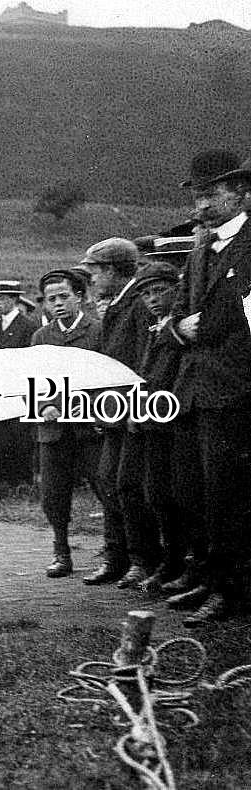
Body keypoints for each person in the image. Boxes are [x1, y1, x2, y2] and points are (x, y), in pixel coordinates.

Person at [166, 150, 251, 626]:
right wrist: (184, 328)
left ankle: (232, 592)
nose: (200, 204)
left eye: (210, 194)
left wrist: (206, 326)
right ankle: (208, 578)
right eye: (196, 195)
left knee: (228, 494)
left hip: (236, 389)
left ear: (241, 194)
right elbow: (174, 319)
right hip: (193, 389)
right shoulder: (198, 248)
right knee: (192, 490)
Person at [77, 237, 157, 588]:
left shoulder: (138, 305)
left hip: (133, 414)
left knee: (128, 485)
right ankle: (117, 556)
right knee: (108, 481)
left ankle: (141, 559)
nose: (91, 279)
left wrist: (136, 409)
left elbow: (144, 363)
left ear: (111, 270)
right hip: (113, 413)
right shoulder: (115, 305)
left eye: (94, 272)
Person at [128, 261, 195, 595]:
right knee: (157, 495)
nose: (152, 299)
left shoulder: (181, 330)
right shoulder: (154, 329)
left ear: (176, 290)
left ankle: (185, 564)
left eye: (159, 291)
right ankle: (170, 562)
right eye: (145, 293)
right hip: (152, 424)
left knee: (181, 495)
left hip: (178, 424)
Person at [30, 269, 102, 578]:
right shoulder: (41, 338)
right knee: (54, 494)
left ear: (80, 297)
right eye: (51, 299)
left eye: (64, 297)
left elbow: (108, 377)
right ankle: (61, 551)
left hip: (92, 428)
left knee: (106, 487)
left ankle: (115, 551)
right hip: (54, 430)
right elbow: (31, 382)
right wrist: (44, 405)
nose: (58, 304)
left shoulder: (97, 331)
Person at [0, 279, 39, 485]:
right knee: (2, 434)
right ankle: (3, 480)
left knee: (21, 434)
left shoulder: (28, 326)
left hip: (21, 387)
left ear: (14, 300)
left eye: (2, 299)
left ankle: (23, 481)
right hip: (0, 388)